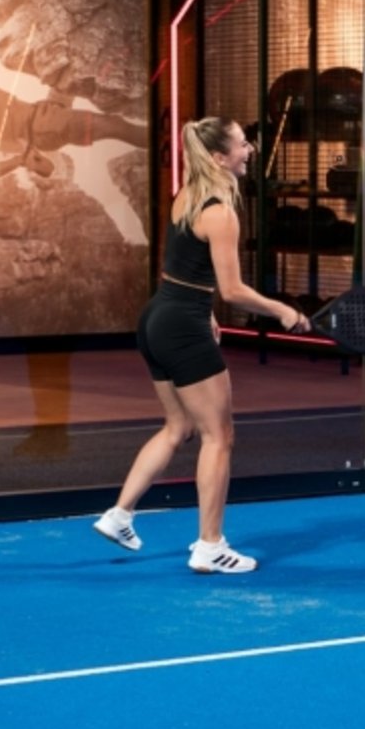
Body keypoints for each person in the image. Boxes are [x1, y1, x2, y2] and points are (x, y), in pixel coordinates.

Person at [93, 116, 311, 573]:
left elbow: (183, 266)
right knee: (219, 436)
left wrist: (203, 310)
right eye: (243, 144)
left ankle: (120, 514)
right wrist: (284, 311)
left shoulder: (186, 196)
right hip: (181, 327)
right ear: (219, 157)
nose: (250, 149)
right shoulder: (222, 212)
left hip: (158, 319)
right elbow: (232, 290)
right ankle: (210, 546)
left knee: (179, 428)